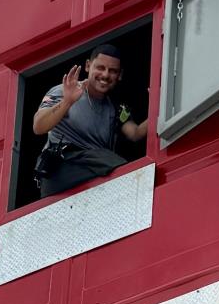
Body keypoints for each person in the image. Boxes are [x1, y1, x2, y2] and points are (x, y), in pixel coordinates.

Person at [30, 45, 147, 198]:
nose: (105, 75)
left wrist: (160, 107)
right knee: (119, 166)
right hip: (61, 171)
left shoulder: (114, 108)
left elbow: (136, 133)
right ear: (87, 66)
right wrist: (67, 102)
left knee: (125, 169)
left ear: (120, 75)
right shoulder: (65, 90)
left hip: (93, 173)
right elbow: (38, 126)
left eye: (112, 71)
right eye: (100, 68)